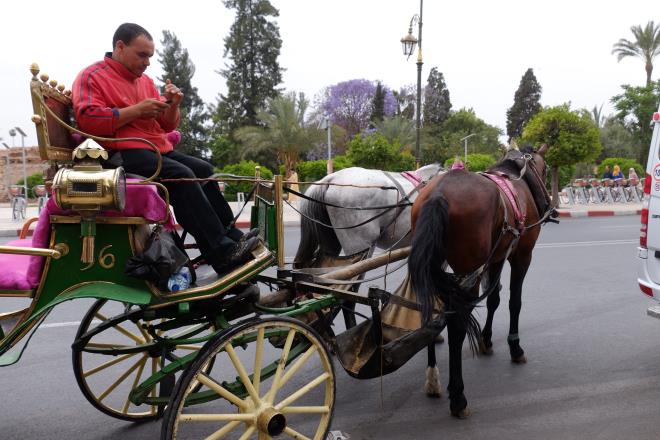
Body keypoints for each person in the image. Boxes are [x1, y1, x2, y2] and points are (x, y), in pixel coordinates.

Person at [72, 23, 259, 275]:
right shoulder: (92, 75)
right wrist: (137, 111)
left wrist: (172, 105)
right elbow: (88, 119)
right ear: (119, 47)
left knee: (205, 170)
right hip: (119, 155)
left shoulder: (145, 82)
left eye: (150, 56)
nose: (147, 62)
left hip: (153, 149)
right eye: (142, 55)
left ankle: (231, 236)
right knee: (183, 176)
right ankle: (221, 252)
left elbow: (165, 124)